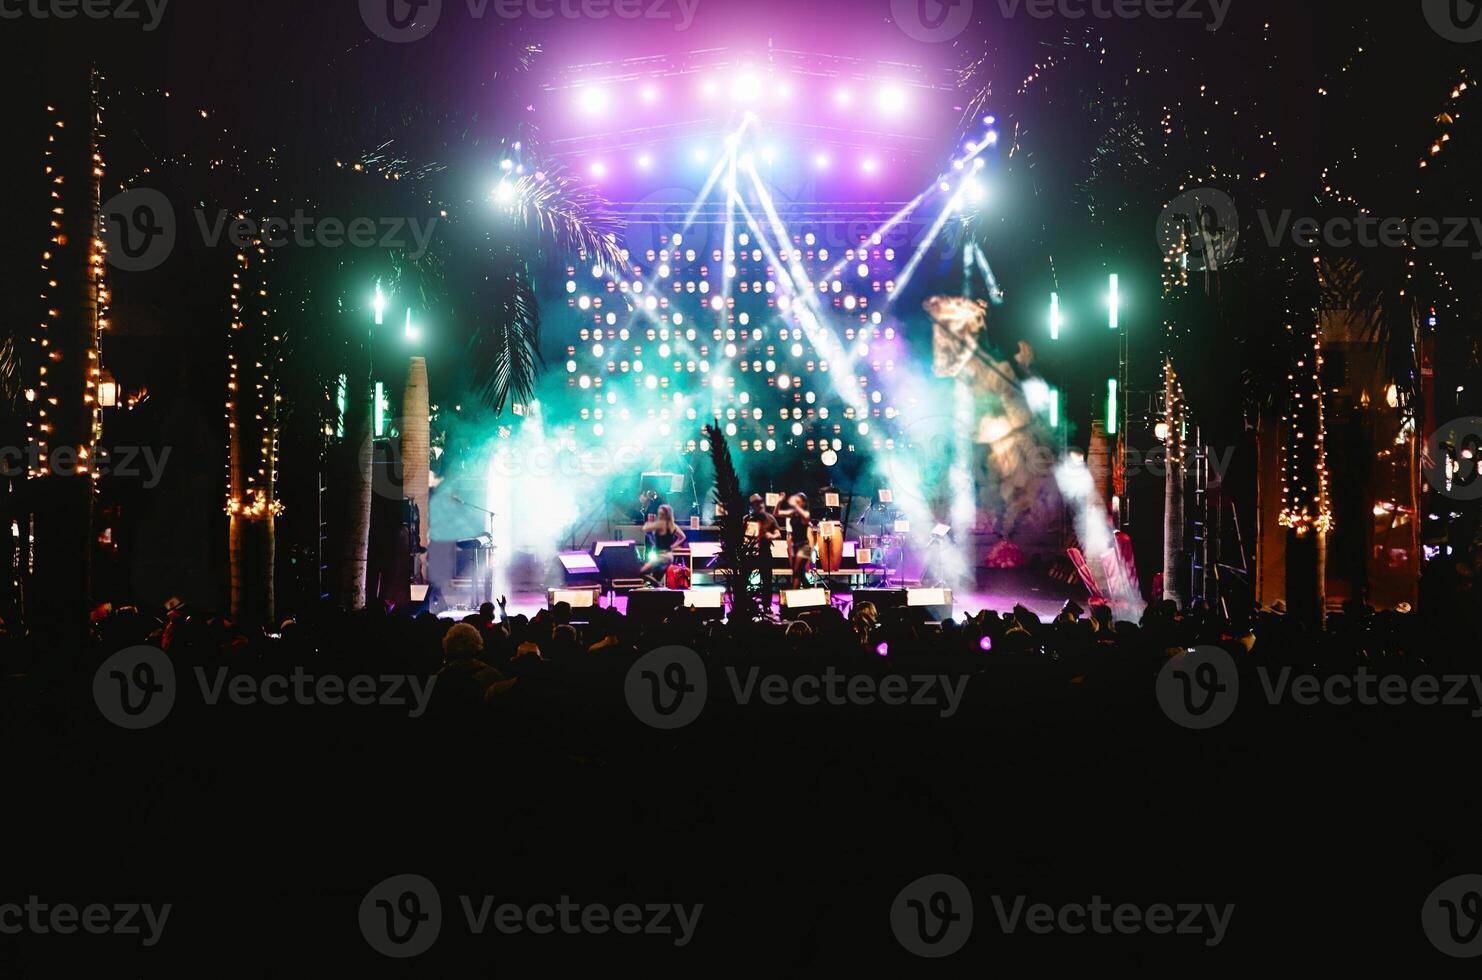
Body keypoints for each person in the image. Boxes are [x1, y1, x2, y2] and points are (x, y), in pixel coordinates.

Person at [775, 492, 813, 589]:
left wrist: (795, 505)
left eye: (798, 502)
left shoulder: (806, 513)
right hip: (795, 546)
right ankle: (809, 591)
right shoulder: (793, 513)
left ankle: (794, 594)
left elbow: (805, 516)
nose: (795, 503)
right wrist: (779, 501)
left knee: (796, 571)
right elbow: (776, 513)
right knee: (799, 573)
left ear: (803, 503)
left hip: (804, 546)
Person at [641, 503, 687, 582]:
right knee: (656, 578)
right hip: (669, 556)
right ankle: (657, 588)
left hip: (661, 556)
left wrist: (649, 522)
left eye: (661, 514)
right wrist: (673, 546)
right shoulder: (673, 525)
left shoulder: (661, 524)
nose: (660, 516)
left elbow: (645, 528)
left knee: (642, 572)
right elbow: (683, 537)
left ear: (665, 515)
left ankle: (658, 587)